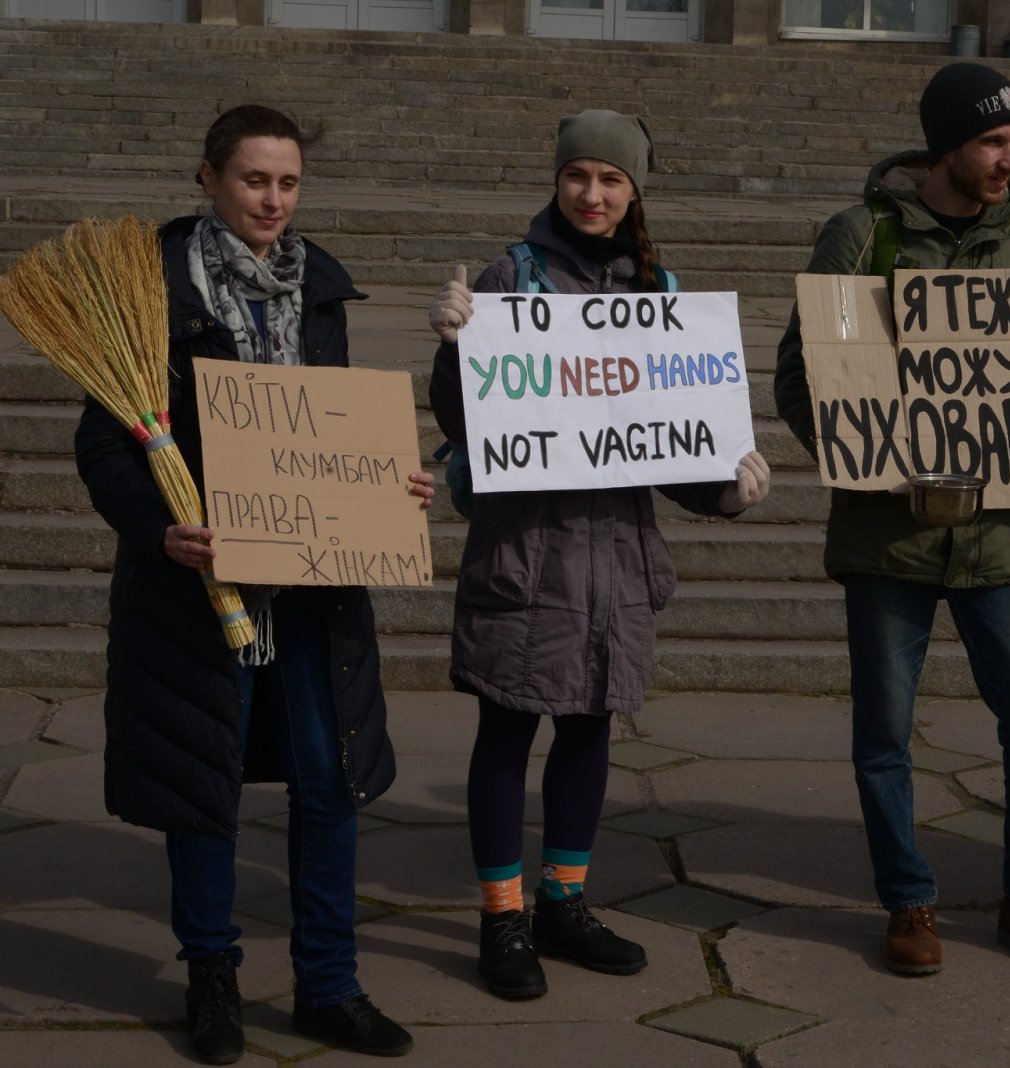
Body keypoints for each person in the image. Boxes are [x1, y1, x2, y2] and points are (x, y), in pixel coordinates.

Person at [74, 104, 429, 1063]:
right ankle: (212, 977)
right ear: (208, 179)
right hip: (196, 590)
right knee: (204, 787)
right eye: (254, 180)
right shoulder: (149, 290)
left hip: (313, 590)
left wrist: (389, 484)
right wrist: (159, 530)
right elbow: (103, 445)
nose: (273, 200)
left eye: (288, 183)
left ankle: (330, 985)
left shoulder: (319, 288)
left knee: (329, 781)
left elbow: (333, 432)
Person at [427, 109, 770, 1001]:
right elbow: (467, 424)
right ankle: (501, 917)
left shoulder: (661, 296)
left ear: (634, 190)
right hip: (524, 558)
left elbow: (675, 450)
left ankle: (563, 902)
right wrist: (453, 348)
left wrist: (727, 490)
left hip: (615, 564)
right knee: (506, 734)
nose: (592, 193)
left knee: (589, 731)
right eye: (578, 175)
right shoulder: (510, 277)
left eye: (611, 179)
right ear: (557, 179)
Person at [773, 63, 1010, 978]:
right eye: (993, 143)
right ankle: (908, 903)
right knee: (885, 734)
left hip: (1002, 536)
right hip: (889, 538)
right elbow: (799, 376)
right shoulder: (861, 235)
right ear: (947, 146)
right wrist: (858, 451)